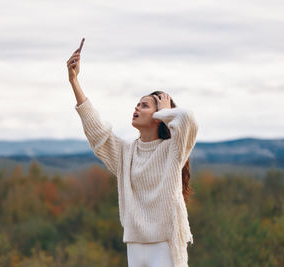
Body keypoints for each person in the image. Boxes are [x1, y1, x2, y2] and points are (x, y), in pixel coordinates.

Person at [66, 41, 199, 267]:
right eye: (137, 104)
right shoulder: (126, 152)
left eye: (144, 106)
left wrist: (166, 111)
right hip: (135, 247)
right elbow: (96, 129)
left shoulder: (173, 150)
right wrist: (74, 81)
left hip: (164, 246)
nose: (136, 108)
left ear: (159, 117)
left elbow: (189, 120)